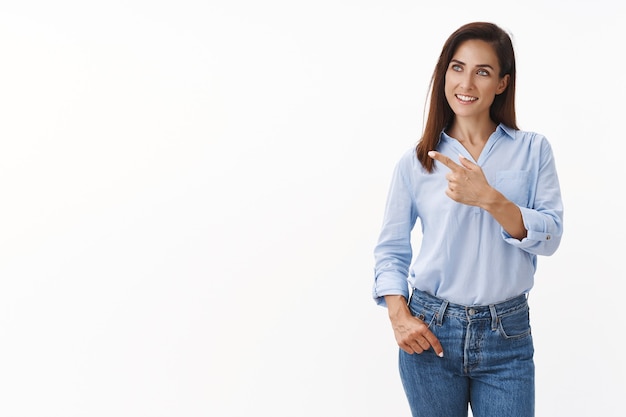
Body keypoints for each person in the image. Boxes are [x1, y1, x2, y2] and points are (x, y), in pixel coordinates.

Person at [372, 22, 563, 417]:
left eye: (483, 71)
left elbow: (551, 236)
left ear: (502, 83)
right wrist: (398, 316)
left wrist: (490, 199)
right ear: (444, 74)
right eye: (458, 68)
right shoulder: (417, 161)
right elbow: (391, 249)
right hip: (431, 332)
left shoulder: (533, 150)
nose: (467, 83)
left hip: (506, 335)